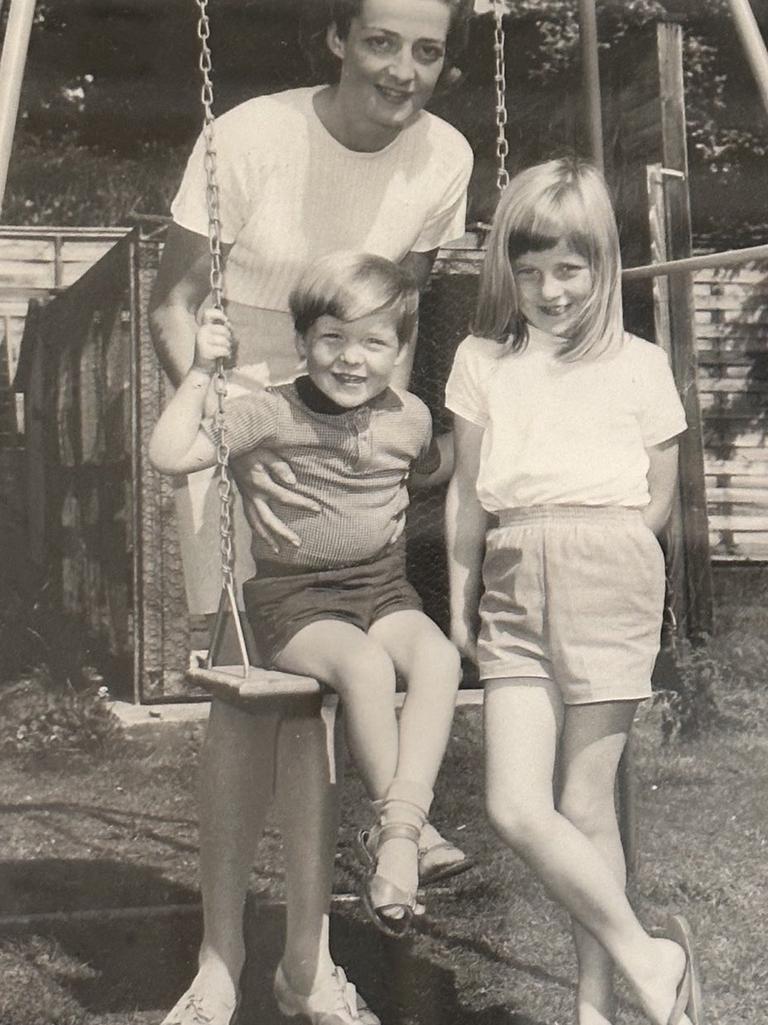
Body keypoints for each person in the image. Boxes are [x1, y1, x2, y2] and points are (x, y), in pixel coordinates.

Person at [148, 3, 474, 1023]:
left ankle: (305, 962)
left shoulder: (446, 159)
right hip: (240, 415)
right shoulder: (248, 137)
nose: (402, 70)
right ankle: (217, 958)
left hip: (347, 433)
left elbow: (405, 316)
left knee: (336, 693)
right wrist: (232, 426)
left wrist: (372, 438)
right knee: (253, 704)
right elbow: (173, 301)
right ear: (338, 39)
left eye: (427, 50)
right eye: (382, 42)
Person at [444, 157, 703, 1025]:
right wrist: (459, 597)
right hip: (513, 572)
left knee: (586, 802)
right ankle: (651, 956)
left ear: (602, 266)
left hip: (608, 564)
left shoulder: (638, 363)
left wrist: (613, 552)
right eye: (529, 272)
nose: (550, 290)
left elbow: (658, 496)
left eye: (569, 269)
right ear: (505, 273)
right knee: (515, 804)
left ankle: (596, 1005)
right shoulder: (482, 360)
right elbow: (465, 490)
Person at [151, 250, 462, 937]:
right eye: (332, 339)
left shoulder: (407, 418)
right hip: (298, 603)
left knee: (439, 658)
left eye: (374, 343)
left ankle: (400, 831)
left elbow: (442, 462)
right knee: (365, 667)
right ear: (301, 342)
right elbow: (170, 455)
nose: (352, 360)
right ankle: (404, 835)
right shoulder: (268, 413)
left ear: (400, 350)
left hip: (382, 589)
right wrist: (202, 372)